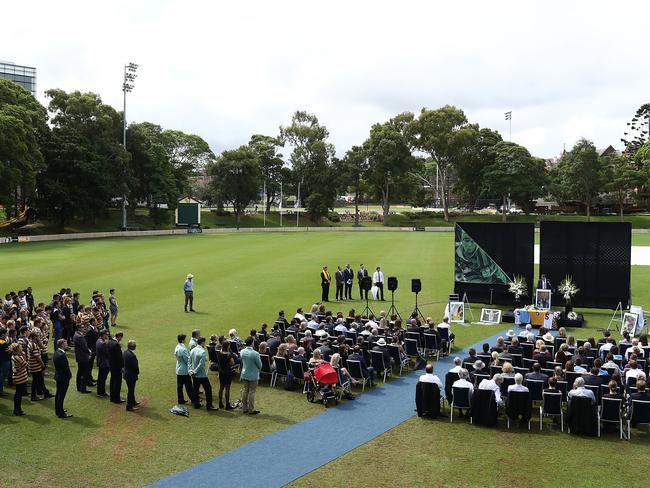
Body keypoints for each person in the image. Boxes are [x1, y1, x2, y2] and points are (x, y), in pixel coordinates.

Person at [189, 337, 218, 410]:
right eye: (204, 342)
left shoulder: (192, 350)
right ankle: (209, 405)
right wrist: (195, 371)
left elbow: (189, 361)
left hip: (194, 374)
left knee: (195, 389)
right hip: (201, 375)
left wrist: (190, 370)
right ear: (202, 342)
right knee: (208, 389)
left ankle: (196, 404)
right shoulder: (202, 351)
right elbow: (201, 364)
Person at [240, 336, 262, 415]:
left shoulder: (242, 351)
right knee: (252, 392)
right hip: (253, 374)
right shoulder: (255, 353)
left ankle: (244, 408)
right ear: (252, 343)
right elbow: (259, 365)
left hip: (245, 373)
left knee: (245, 390)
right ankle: (251, 409)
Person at [175, 334, 198, 407]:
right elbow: (187, 360)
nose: (185, 340)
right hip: (184, 370)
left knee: (180, 386)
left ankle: (180, 399)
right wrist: (191, 368)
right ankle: (193, 399)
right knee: (189, 386)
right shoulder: (183, 349)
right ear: (182, 340)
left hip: (178, 369)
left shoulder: (177, 347)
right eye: (184, 339)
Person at [53, 338, 73, 418]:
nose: (67, 344)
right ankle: (61, 413)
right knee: (61, 395)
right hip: (63, 377)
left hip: (58, 376)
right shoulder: (62, 355)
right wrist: (69, 375)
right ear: (62, 345)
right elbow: (65, 368)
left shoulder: (56, 352)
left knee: (58, 394)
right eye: (65, 343)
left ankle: (58, 410)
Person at [217, 337, 236, 410]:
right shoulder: (228, 355)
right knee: (227, 389)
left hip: (221, 372)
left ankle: (220, 403)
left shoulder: (219, 353)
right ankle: (227, 405)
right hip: (227, 372)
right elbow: (232, 363)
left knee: (221, 388)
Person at [10, 343, 28, 416]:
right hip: (20, 377)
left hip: (17, 376)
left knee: (18, 394)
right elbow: (25, 364)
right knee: (19, 395)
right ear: (17, 349)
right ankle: (17, 410)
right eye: (20, 347)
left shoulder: (13, 356)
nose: (21, 348)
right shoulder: (18, 357)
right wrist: (24, 355)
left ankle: (17, 410)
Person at [73, 326, 92, 393]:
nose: (84, 329)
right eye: (83, 328)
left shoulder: (76, 335)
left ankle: (79, 387)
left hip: (79, 357)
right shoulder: (80, 337)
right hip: (83, 357)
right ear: (79, 328)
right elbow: (84, 347)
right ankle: (83, 388)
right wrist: (89, 352)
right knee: (85, 373)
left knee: (80, 372)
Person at [108, 331, 125, 403]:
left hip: (111, 365)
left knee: (112, 381)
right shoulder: (116, 345)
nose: (121, 339)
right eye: (121, 338)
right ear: (119, 337)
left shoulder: (110, 342)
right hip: (117, 367)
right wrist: (122, 367)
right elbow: (119, 358)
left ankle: (112, 397)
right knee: (117, 382)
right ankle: (117, 399)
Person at [123, 340, 140, 411]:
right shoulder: (132, 355)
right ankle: (129, 406)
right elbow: (135, 366)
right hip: (131, 375)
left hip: (126, 374)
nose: (135, 346)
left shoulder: (125, 352)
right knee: (131, 390)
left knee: (131, 389)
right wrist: (137, 372)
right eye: (135, 346)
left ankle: (133, 402)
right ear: (132, 347)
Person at [95, 330, 110, 398]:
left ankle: (102, 392)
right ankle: (100, 392)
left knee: (101, 378)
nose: (107, 335)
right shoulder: (103, 343)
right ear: (103, 335)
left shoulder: (99, 340)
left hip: (101, 362)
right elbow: (107, 353)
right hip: (104, 363)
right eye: (106, 334)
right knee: (102, 379)